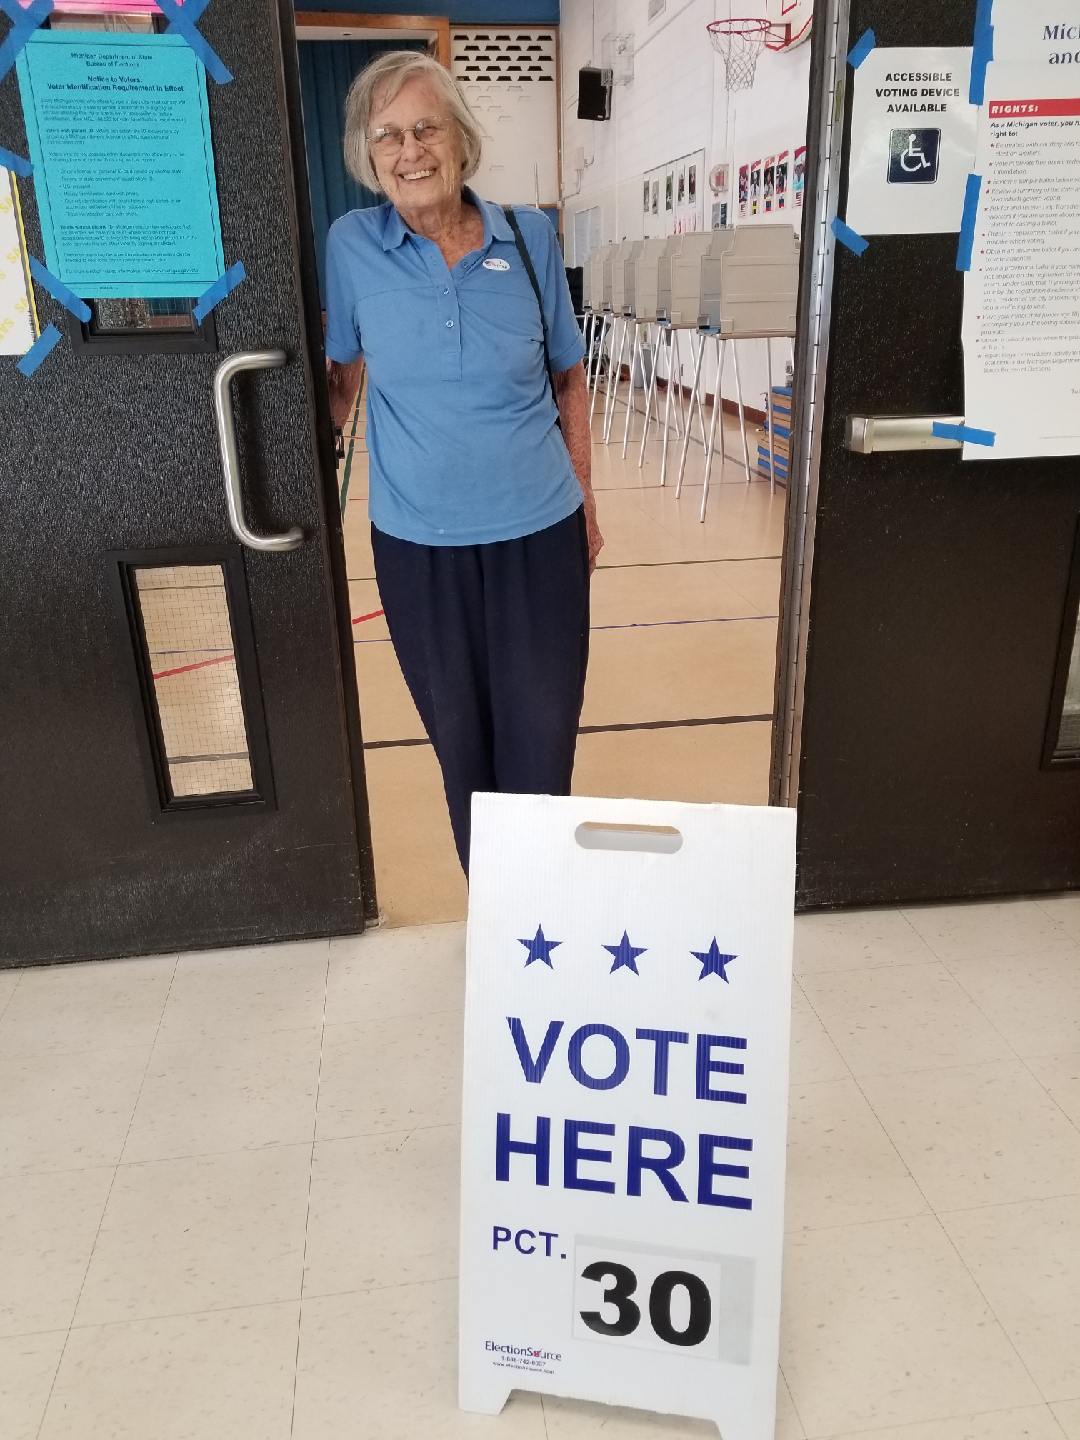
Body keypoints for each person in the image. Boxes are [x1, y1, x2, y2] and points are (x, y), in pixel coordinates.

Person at [324, 49, 602, 873]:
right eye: (388, 137)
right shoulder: (352, 248)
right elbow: (341, 380)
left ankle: (543, 917)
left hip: (541, 536)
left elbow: (569, 377)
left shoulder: (529, 235)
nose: (409, 151)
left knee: (542, 746)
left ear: (460, 138)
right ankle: (502, 926)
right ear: (367, 158)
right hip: (417, 548)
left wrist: (586, 497)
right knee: (463, 750)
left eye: (424, 128)